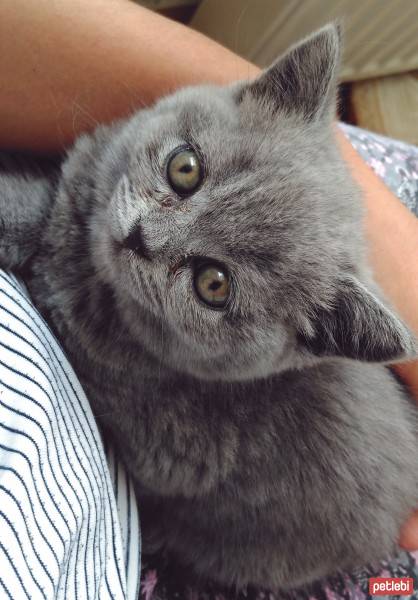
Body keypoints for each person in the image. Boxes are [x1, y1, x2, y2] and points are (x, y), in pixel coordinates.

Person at [0, 1, 418, 598]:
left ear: (301, 342)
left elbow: (165, 466)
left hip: (253, 545)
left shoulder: (161, 382)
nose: (145, 231)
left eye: (211, 284)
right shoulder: (134, 153)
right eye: (186, 171)